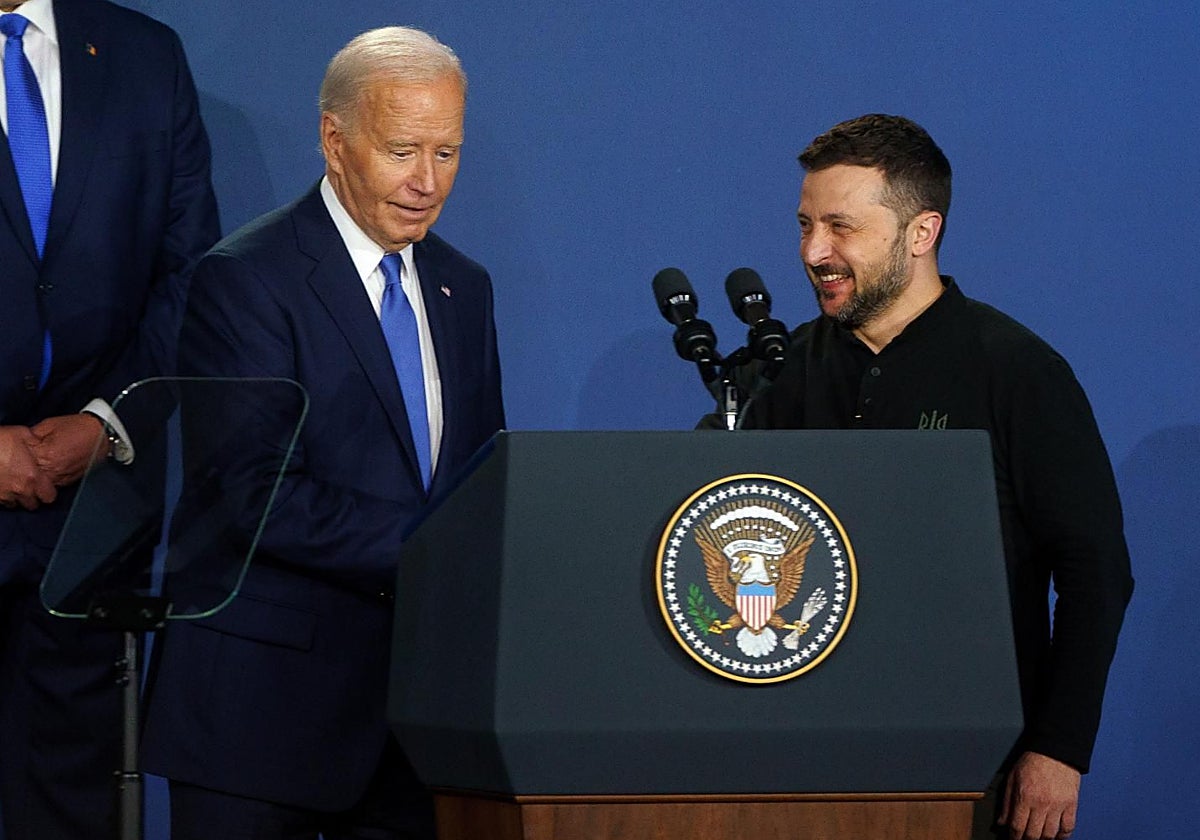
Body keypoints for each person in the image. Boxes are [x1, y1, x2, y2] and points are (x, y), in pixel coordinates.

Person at [139, 26, 505, 840]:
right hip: (260, 723)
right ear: (334, 141)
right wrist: (449, 544)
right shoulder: (246, 278)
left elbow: (482, 476)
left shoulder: (462, 288)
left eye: (447, 153)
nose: (427, 182)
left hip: (413, 728)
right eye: (404, 150)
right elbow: (255, 496)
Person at [729, 114, 1132, 840]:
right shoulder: (784, 371)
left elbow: (1095, 570)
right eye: (804, 225)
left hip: (978, 773)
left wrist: (1059, 748)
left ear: (922, 233)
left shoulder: (1017, 372)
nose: (814, 251)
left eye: (841, 227)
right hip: (806, 764)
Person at [0, 0, 219, 835]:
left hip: (90, 513)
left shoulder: (144, 56)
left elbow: (190, 272)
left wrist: (107, 421)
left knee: (75, 808)